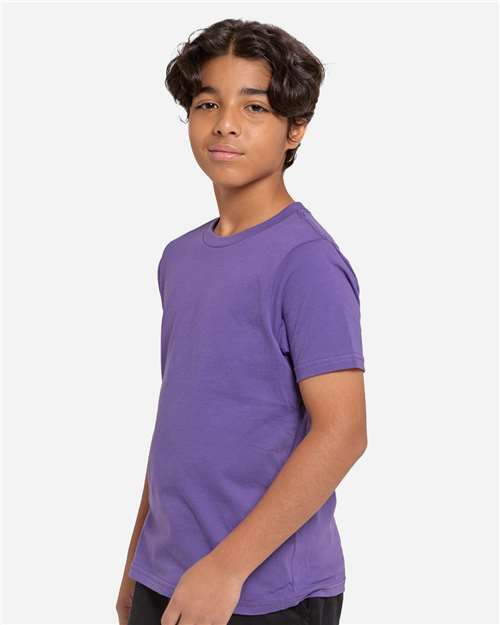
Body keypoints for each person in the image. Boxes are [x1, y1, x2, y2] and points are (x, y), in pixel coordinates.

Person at [116, 18, 367, 625]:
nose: (225, 123)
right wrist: (135, 564)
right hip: (166, 576)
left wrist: (226, 569)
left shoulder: (307, 262)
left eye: (254, 107)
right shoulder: (179, 258)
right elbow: (178, 423)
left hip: (264, 592)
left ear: (295, 128)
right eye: (208, 103)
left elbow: (343, 432)